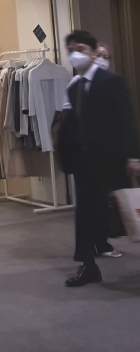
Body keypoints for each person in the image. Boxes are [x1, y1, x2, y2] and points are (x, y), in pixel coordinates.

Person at [57, 29, 140, 286]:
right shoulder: (75, 87)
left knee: (129, 210)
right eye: (71, 51)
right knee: (85, 215)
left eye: (81, 49)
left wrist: (133, 157)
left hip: (114, 160)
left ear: (94, 52)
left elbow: (127, 121)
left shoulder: (111, 82)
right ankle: (87, 265)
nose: (76, 55)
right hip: (87, 164)